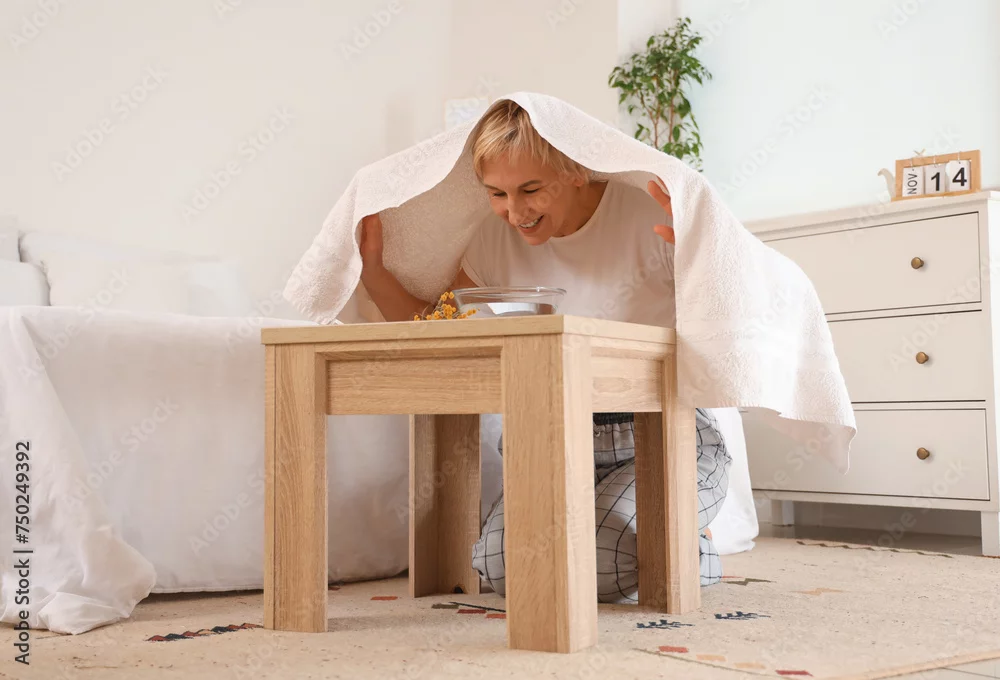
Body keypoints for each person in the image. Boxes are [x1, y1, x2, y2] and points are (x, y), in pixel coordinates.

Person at [359, 99, 731, 603]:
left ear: (574, 168)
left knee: (607, 553)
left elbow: (731, 319)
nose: (515, 212)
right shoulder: (492, 242)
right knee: (500, 565)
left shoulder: (649, 217)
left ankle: (688, 542)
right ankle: (665, 541)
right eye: (497, 193)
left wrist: (702, 250)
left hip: (660, 439)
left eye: (531, 190)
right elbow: (440, 332)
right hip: (551, 441)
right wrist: (374, 272)